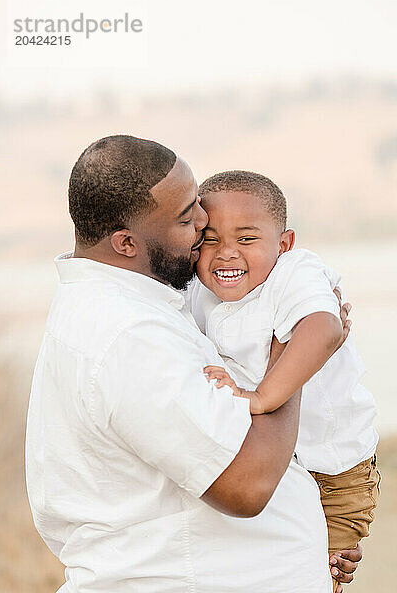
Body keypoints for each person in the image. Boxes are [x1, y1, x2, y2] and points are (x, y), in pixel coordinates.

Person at [26, 135, 359, 593]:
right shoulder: (128, 336)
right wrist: (284, 347)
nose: (205, 221)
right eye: (187, 218)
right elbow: (246, 486)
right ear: (126, 242)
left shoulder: (144, 301)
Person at [186, 170, 380, 592]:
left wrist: (260, 398)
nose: (226, 254)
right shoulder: (199, 294)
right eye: (211, 239)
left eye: (247, 239)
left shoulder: (295, 273)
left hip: (334, 472)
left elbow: (325, 328)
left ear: (284, 244)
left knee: (318, 577)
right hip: (274, 468)